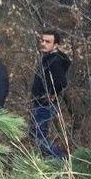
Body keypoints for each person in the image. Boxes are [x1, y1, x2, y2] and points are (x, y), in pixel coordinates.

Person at [29, 29, 71, 159]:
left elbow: (62, 83)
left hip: (45, 105)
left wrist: (52, 94)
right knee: (35, 135)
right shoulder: (48, 58)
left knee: (39, 138)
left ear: (56, 45)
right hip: (40, 103)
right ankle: (49, 162)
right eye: (42, 40)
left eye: (48, 41)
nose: (43, 43)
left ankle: (61, 162)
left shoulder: (55, 61)